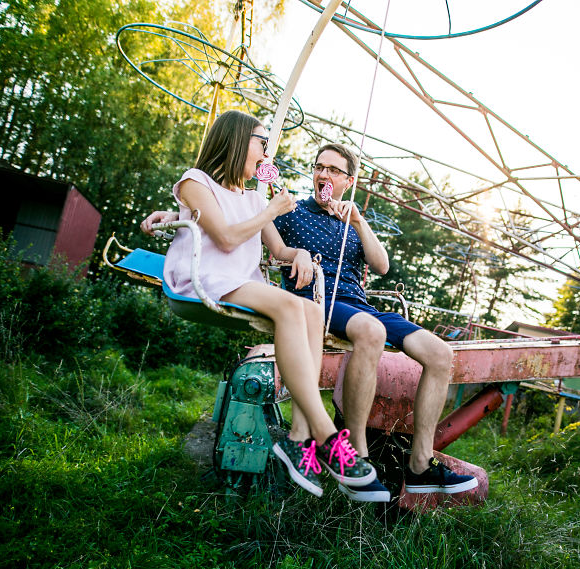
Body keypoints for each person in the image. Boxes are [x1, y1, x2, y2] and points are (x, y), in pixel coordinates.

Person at [144, 143, 478, 503]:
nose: (324, 174)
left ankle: (420, 466)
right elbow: (234, 217)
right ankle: (358, 456)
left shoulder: (352, 222)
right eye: (319, 167)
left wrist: (359, 221)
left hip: (360, 304)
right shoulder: (293, 211)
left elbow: (381, 265)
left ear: (348, 181)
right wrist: (176, 212)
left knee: (440, 354)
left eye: (333, 170)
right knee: (372, 331)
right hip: (318, 299)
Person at [157, 112, 375, 498]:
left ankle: (298, 440)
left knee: (311, 311)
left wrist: (300, 253)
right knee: (291, 307)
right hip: (208, 277)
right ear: (238, 141)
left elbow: (279, 248)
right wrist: (271, 210)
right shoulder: (196, 181)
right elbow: (225, 237)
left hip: (243, 281)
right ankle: (326, 435)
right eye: (262, 144)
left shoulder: (254, 197)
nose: (266, 154)